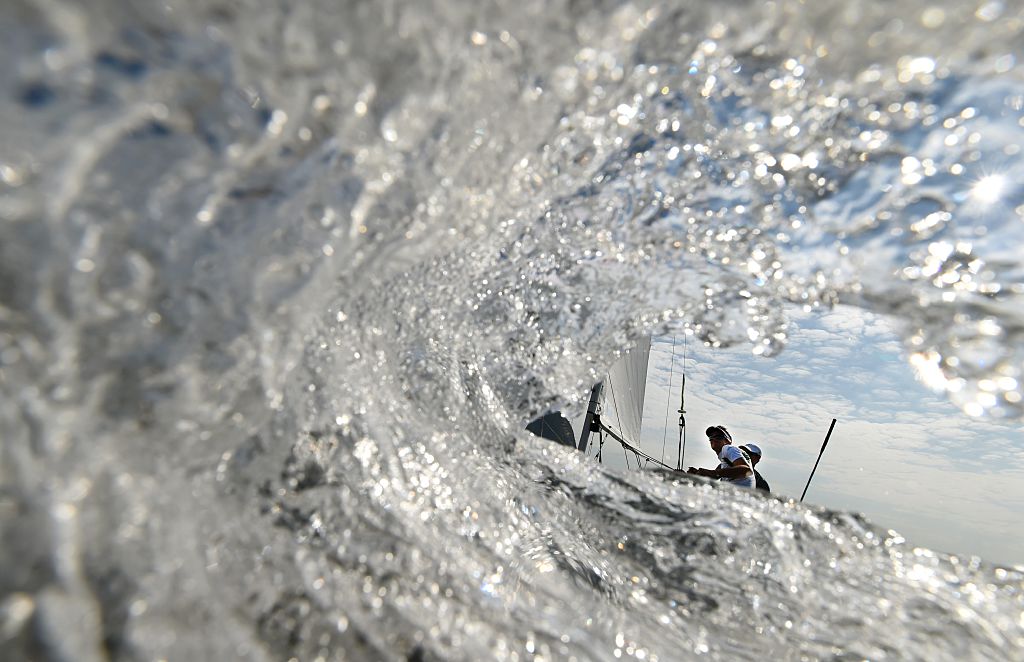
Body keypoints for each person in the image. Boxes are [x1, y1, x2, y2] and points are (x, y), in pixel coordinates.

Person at [686, 425, 754, 488]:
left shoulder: (728, 448)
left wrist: (713, 473)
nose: (714, 439)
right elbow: (713, 477)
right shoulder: (725, 461)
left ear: (728, 441)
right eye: (711, 437)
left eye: (718, 437)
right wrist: (696, 474)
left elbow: (746, 470)